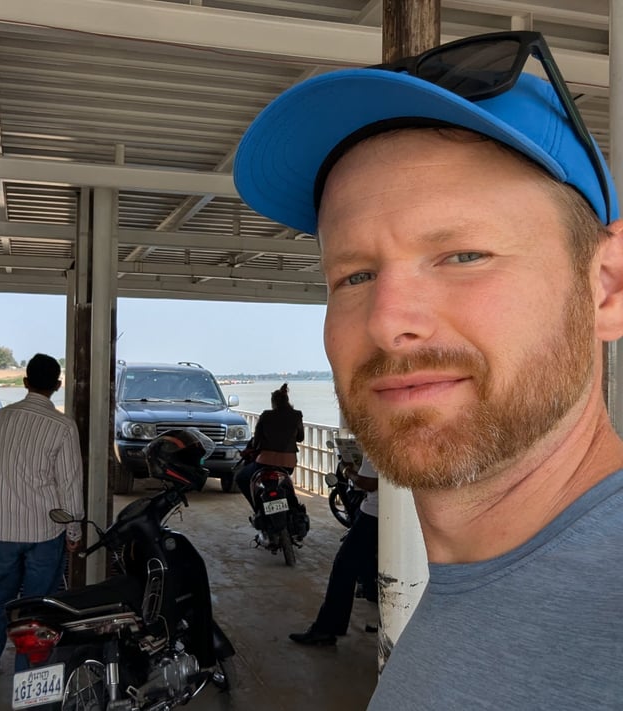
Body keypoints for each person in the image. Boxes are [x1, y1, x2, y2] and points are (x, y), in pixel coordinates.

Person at [234, 30, 623, 709]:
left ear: (608, 286)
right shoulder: (470, 598)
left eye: (464, 255)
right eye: (354, 275)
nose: (388, 321)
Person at [0, 353, 84, 682]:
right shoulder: (63, 426)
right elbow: (70, 484)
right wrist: (74, 531)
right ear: (58, 385)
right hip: (44, 530)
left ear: (25, 382)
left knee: (0, 600)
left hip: (5, 529)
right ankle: (29, 681)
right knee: (38, 608)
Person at [289, 455, 378, 646]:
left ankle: (327, 628)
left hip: (373, 514)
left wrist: (347, 471)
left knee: (344, 567)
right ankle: (382, 618)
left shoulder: (377, 444)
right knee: (372, 566)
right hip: (391, 514)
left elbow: (370, 483)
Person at [235, 382, 304, 507]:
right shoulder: (297, 415)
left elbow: (256, 442)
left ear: (273, 402)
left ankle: (257, 507)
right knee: (285, 484)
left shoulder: (266, 415)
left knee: (241, 478)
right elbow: (300, 438)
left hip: (265, 462)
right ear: (287, 400)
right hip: (288, 464)